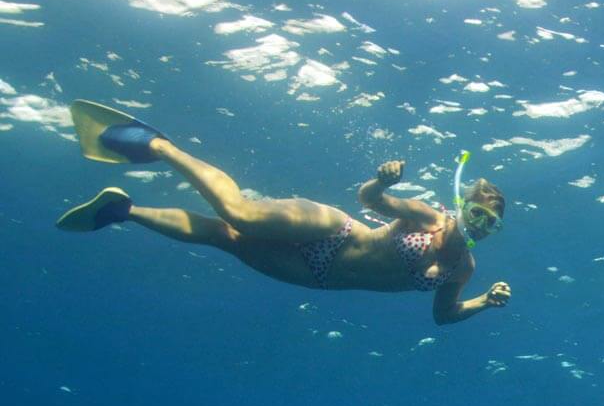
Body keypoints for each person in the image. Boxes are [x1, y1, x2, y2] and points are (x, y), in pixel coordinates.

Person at [57, 100, 511, 325]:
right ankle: (156, 145)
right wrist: (383, 181)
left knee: (225, 238)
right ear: (462, 204)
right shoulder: (428, 217)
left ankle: (125, 210)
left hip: (317, 274)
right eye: (477, 212)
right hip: (337, 230)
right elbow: (369, 201)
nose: (480, 225)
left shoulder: (462, 268)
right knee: (240, 215)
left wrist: (483, 303)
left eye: (491, 223)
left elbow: (443, 315)